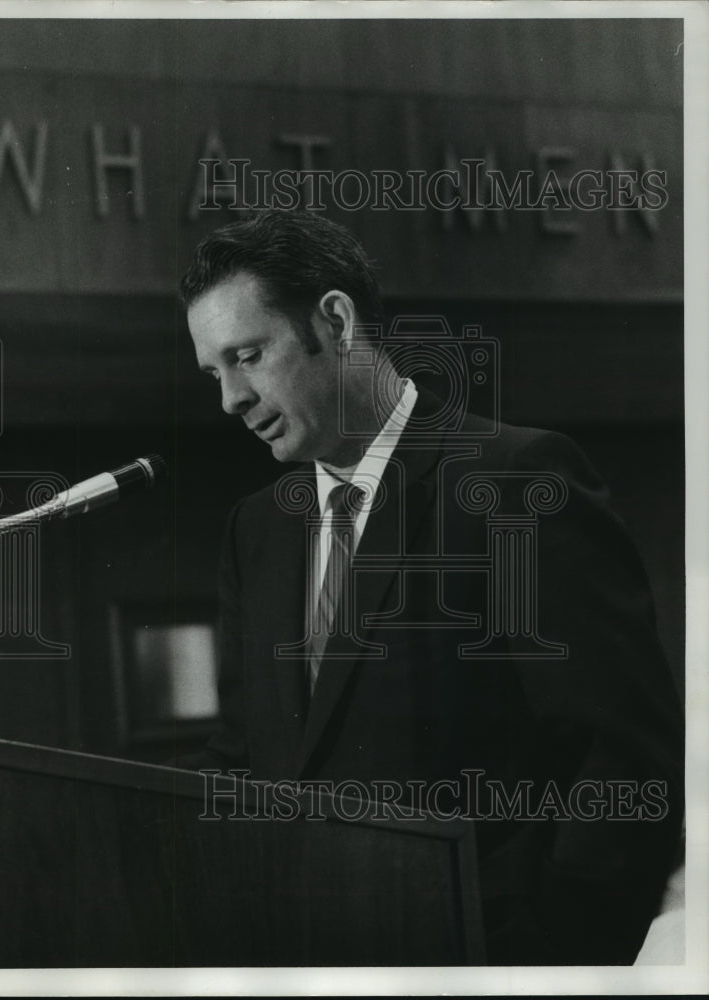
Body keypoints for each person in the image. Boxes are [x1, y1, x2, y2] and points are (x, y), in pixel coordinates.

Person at [178, 209, 684, 965]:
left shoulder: (517, 481)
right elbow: (247, 755)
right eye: (214, 372)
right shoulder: (256, 531)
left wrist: (535, 971)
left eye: (247, 355)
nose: (230, 398)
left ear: (337, 320)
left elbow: (626, 768)